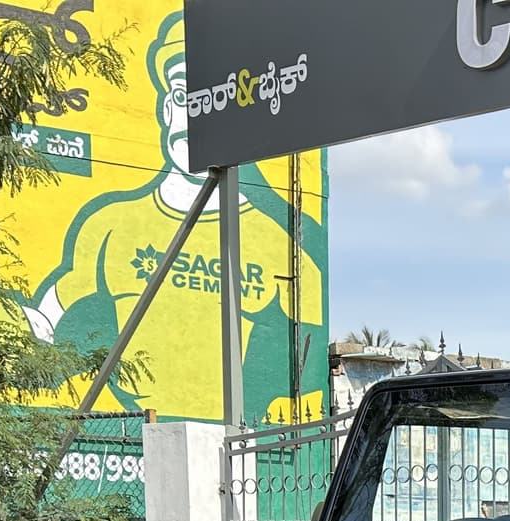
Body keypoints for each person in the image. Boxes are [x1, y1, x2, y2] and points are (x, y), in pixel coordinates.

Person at [22, 15, 326, 424]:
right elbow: (45, 323)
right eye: (182, 96)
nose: (188, 116)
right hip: (129, 436)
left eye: (207, 100)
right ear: (166, 107)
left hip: (237, 447)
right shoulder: (110, 224)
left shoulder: (281, 246)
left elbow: (311, 362)